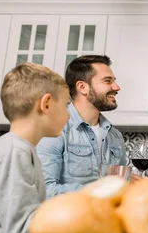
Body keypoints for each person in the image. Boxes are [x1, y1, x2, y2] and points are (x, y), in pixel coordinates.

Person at [0, 63, 71, 233]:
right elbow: (19, 229)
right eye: (65, 105)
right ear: (46, 104)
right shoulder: (14, 152)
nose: (68, 115)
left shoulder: (22, 150)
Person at [37, 55, 139, 198]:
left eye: (114, 81)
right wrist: (104, 189)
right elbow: (43, 191)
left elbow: (118, 192)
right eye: (107, 81)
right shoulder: (54, 129)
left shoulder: (115, 136)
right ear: (82, 87)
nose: (116, 87)